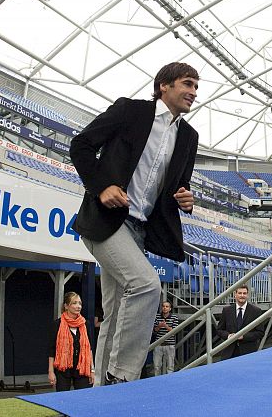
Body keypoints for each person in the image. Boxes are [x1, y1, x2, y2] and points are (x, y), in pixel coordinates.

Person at [70, 62, 199, 385]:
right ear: (163, 86)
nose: (193, 92)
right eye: (187, 84)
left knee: (114, 315)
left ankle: (101, 390)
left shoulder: (188, 137)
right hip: (105, 222)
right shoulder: (130, 111)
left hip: (140, 232)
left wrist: (185, 198)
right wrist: (101, 187)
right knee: (146, 285)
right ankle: (123, 377)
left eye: (196, 87)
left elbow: (178, 187)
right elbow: (81, 146)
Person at [47, 292, 94, 391]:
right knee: (62, 398)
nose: (78, 306)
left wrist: (92, 370)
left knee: (83, 397)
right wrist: (51, 372)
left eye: (80, 303)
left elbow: (89, 349)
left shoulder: (86, 324)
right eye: (74, 303)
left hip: (82, 368)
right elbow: (52, 350)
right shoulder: (57, 324)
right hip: (63, 369)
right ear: (66, 306)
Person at [216, 284, 264, 359]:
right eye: (240, 293)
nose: (242, 295)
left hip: (248, 353)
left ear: (247, 295)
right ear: (235, 294)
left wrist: (243, 336)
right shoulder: (227, 310)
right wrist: (228, 336)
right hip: (229, 353)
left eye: (244, 293)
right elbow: (219, 330)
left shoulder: (256, 311)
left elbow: (260, 332)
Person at [151, 301, 179, 376]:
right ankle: (157, 381)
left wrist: (165, 326)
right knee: (156, 366)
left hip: (170, 344)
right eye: (163, 306)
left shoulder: (174, 317)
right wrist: (159, 326)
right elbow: (154, 331)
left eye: (167, 306)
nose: (165, 308)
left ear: (170, 309)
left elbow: (175, 331)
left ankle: (170, 382)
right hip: (158, 344)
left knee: (170, 367)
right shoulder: (157, 317)